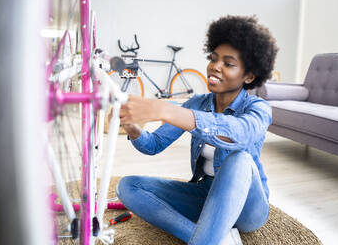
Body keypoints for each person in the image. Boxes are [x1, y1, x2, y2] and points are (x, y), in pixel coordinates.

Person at [115, 15, 278, 245]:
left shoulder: (258, 108)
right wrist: (132, 128)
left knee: (239, 159)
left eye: (228, 64)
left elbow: (239, 134)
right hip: (206, 194)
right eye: (214, 59)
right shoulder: (197, 103)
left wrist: (165, 109)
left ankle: (204, 240)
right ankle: (213, 238)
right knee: (128, 186)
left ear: (249, 76)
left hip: (248, 208)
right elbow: (154, 145)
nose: (215, 67)